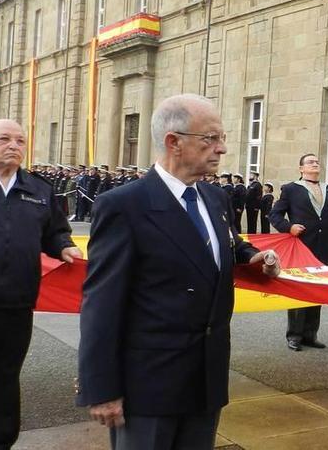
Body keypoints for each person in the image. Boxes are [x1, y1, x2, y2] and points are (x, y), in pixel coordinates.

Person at [75, 94, 280, 450]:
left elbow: (224, 244)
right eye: (211, 138)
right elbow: (102, 303)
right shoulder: (124, 206)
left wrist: (252, 257)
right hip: (149, 386)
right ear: (174, 142)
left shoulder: (216, 200)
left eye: (222, 139)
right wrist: (102, 388)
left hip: (206, 378)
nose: (222, 149)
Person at [0, 119, 81, 448]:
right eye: (4, 139)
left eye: (20, 140)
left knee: (4, 379)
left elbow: (54, 231)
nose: (14, 145)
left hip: (16, 306)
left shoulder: (38, 189)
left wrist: (63, 245)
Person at [269, 153, 328, 351]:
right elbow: (274, 215)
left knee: (317, 291)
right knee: (299, 291)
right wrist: (288, 227)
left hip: (323, 249)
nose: (315, 164)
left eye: (317, 161)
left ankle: (311, 334)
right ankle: (294, 335)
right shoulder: (291, 189)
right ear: (301, 168)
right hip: (301, 247)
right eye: (310, 162)